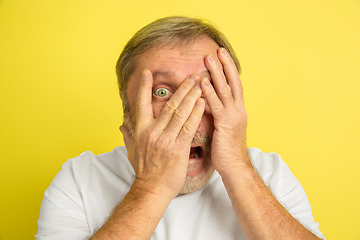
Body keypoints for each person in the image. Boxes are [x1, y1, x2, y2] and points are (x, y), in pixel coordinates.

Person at [36, 16, 326, 240]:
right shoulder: (79, 179)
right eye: (161, 92)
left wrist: (238, 167)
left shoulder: (269, 173)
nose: (186, 115)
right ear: (128, 115)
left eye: (208, 88)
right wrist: (152, 187)